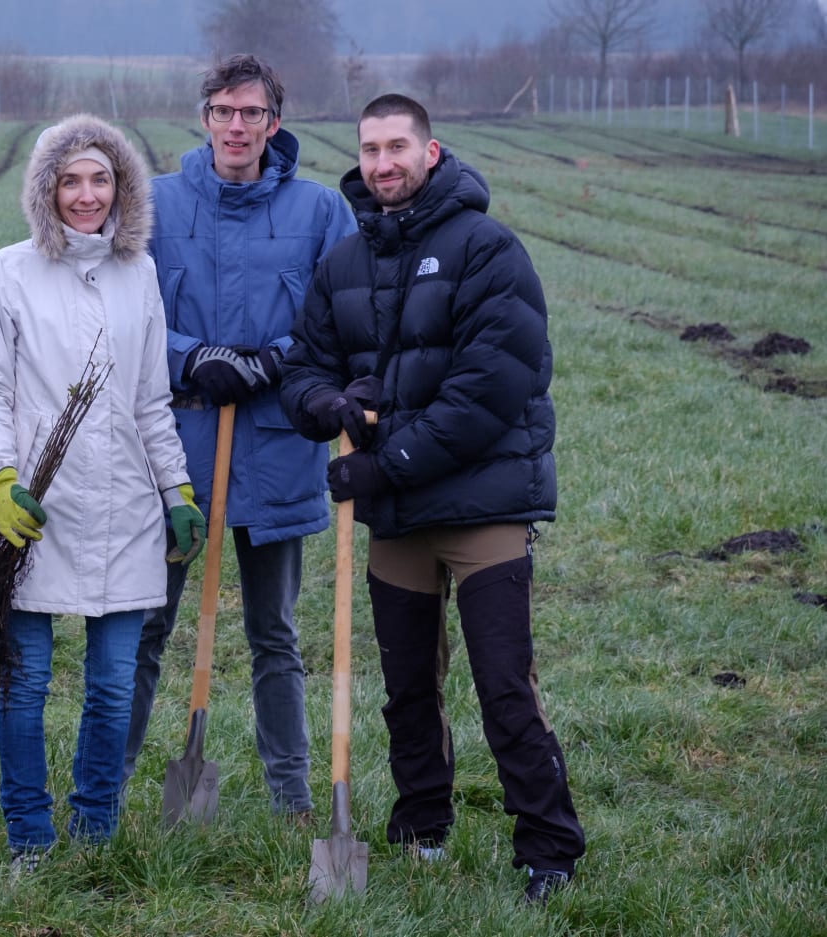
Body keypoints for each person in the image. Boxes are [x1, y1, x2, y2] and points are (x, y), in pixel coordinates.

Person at [280, 93, 586, 904]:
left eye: (398, 148)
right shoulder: (345, 262)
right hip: (402, 520)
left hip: (482, 508)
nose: (383, 164)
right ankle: (422, 828)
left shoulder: (488, 249)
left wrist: (385, 466)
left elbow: (490, 389)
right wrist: (327, 407)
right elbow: (303, 365)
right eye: (370, 149)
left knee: (502, 682)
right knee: (408, 684)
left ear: (432, 152)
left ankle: (549, 846)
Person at [0, 113, 204, 872]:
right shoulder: (7, 271)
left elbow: (149, 400)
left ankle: (96, 824)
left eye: (101, 178)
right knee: (26, 681)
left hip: (125, 506)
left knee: (111, 683)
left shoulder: (140, 274)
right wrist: (0, 477)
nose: (86, 194)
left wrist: (176, 487)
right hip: (32, 509)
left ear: (122, 188)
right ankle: (29, 835)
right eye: (70, 179)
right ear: (46, 189)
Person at [122, 53, 356, 818]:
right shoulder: (156, 205)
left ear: (274, 124)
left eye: (251, 113)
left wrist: (276, 361)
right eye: (223, 110)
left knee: (275, 634)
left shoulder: (320, 212)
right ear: (204, 117)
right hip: (174, 452)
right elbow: (124, 320)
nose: (236, 126)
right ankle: (110, 785)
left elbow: (344, 319)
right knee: (146, 624)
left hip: (276, 449)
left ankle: (291, 798)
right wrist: (194, 356)